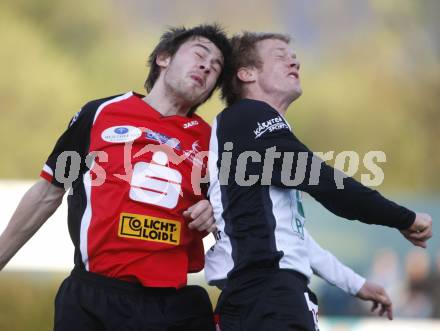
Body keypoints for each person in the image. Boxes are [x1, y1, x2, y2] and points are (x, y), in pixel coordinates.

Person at [0, 24, 230, 331]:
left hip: (171, 306)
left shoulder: (211, 141)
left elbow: (236, 220)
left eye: (215, 68)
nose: (206, 66)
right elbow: (47, 192)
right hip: (93, 295)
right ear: (164, 58)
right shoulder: (100, 113)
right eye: (199, 54)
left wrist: (216, 212)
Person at [206, 32, 433, 331]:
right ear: (246, 74)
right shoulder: (249, 116)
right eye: (280, 54)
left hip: (262, 296)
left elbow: (294, 239)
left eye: (294, 55)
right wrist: (404, 218)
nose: (294, 60)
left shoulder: (245, 127)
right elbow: (325, 182)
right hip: (267, 297)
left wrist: (356, 283)